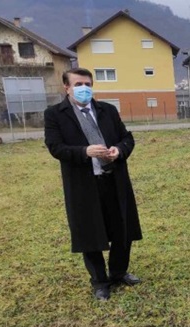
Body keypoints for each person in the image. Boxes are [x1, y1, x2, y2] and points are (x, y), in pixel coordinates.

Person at [44, 67, 142, 301]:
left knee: (122, 229)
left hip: (114, 179)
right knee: (90, 232)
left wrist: (119, 150)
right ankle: (99, 281)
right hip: (83, 185)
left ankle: (118, 273)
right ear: (66, 87)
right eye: (78, 85)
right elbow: (55, 147)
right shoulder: (55, 114)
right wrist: (84, 151)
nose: (84, 88)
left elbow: (127, 138)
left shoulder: (107, 110)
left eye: (87, 84)